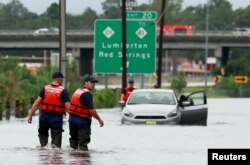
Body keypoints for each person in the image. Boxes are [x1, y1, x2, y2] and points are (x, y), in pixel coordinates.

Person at [27, 71, 70, 148]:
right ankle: (55, 158)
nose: (62, 80)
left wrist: (30, 115)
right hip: (56, 118)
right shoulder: (63, 91)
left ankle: (44, 157)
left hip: (44, 117)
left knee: (43, 145)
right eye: (62, 79)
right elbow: (68, 107)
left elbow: (36, 103)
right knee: (56, 147)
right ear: (59, 79)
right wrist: (73, 117)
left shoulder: (45, 88)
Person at [68, 75, 104, 151]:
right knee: (83, 146)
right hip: (82, 122)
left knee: (73, 144)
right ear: (86, 82)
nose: (93, 84)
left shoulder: (78, 90)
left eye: (94, 82)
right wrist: (99, 119)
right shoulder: (87, 94)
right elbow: (91, 110)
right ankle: (84, 162)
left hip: (72, 120)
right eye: (91, 82)